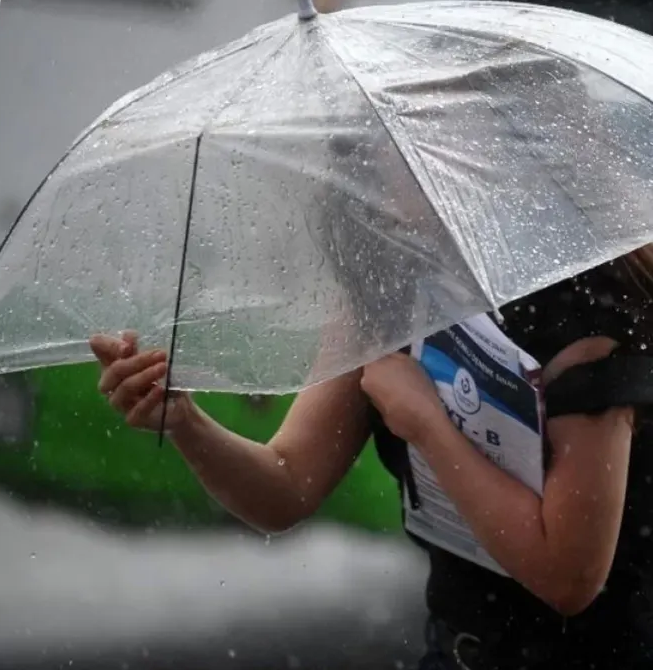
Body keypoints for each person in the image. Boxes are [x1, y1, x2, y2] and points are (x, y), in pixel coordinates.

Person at [88, 248, 653, 669]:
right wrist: (185, 422)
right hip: (460, 651)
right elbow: (286, 485)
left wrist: (428, 425)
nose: (368, 179)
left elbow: (569, 576)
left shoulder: (584, 301)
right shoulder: (388, 285)